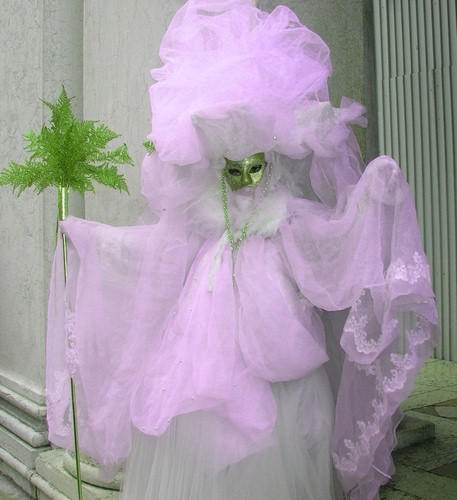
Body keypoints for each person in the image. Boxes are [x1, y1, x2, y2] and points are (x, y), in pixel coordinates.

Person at [46, 1, 439, 499]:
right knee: (198, 407)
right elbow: (152, 251)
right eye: (234, 170)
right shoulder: (205, 223)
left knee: (283, 418)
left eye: (254, 168)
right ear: (221, 169)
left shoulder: (284, 216)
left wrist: (372, 195)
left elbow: (331, 237)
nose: (245, 180)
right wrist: (88, 236)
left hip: (277, 331)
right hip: (202, 329)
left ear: (268, 164)